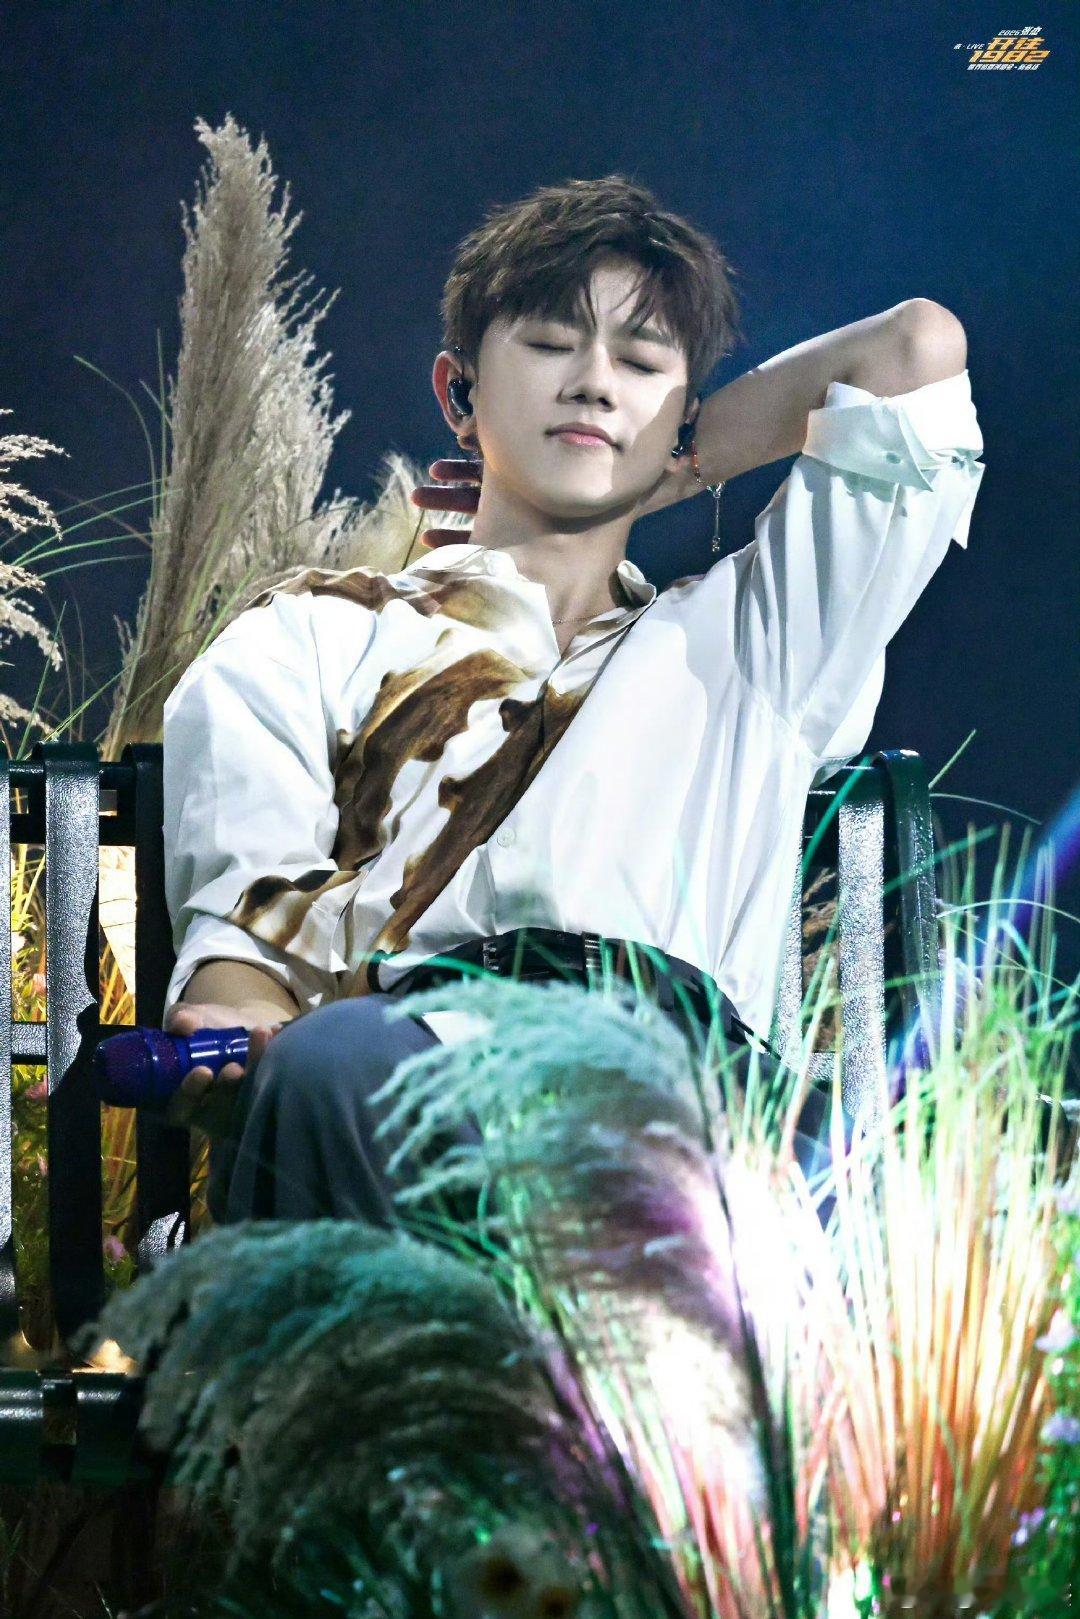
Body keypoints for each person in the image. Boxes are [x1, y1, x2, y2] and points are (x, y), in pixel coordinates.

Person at [160, 174, 985, 1224]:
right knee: (334, 1071)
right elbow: (243, 937)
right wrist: (236, 1020)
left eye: (641, 363)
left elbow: (916, 349)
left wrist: (694, 455)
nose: (595, 383)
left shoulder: (759, 640)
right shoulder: (309, 634)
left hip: (675, 1099)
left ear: (682, 411)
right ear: (459, 394)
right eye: (552, 344)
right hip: (403, 1079)